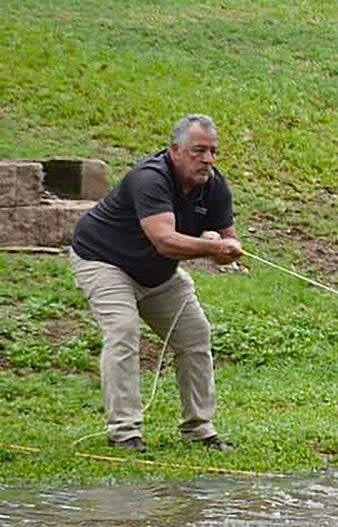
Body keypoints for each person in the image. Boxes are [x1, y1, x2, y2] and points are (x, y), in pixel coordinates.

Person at [69, 114, 244, 453]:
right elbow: (164, 241)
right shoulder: (149, 179)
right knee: (123, 330)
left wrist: (226, 250)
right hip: (104, 261)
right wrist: (211, 246)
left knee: (195, 335)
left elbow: (229, 245)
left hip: (158, 274)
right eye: (198, 151)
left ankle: (199, 429)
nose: (207, 159)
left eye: (212, 151)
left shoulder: (215, 185)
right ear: (175, 150)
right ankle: (124, 433)